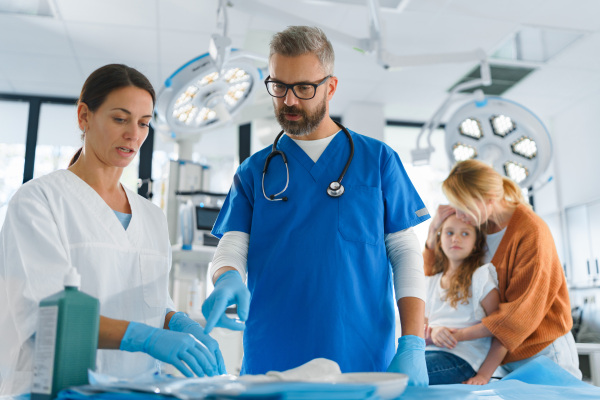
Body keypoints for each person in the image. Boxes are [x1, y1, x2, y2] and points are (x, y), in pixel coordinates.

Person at [201, 26, 431, 386]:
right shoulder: (254, 171)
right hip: (273, 356)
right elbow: (232, 245)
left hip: (361, 353)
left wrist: (414, 340)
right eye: (279, 86)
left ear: (331, 87)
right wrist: (227, 276)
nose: (289, 101)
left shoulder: (378, 160)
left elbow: (404, 251)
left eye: (304, 88)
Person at [0, 64, 225, 397]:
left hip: (138, 389)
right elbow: (44, 315)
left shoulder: (151, 216)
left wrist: (179, 323)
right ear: (84, 116)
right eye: (120, 119)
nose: (134, 134)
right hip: (59, 389)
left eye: (144, 123)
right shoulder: (39, 201)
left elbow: (151, 305)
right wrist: (145, 338)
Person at [424, 159, 581, 379]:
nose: (458, 215)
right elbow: (437, 275)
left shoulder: (532, 233)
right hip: (502, 357)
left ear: (489, 200)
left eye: (463, 207)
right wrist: (433, 233)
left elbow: (517, 317)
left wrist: (456, 335)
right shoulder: (478, 226)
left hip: (542, 353)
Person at [424, 213, 507, 385]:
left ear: (476, 243)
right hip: (426, 353)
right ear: (439, 240)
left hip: (463, 359)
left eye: (465, 233)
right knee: (386, 369)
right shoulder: (430, 282)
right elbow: (419, 329)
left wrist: (483, 375)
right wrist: (433, 331)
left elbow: (502, 330)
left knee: (404, 376)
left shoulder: (481, 277)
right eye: (449, 233)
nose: (455, 238)